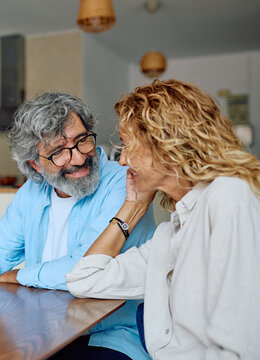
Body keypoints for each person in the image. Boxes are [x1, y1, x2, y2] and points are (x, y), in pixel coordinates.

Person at [0, 92, 157, 360]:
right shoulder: (31, 192)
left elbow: (85, 267)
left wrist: (20, 275)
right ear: (35, 163)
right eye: (58, 152)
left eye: (82, 141)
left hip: (109, 334)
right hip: (43, 329)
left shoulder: (122, 183)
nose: (78, 158)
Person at [66, 79, 260, 359]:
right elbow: (84, 279)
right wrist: (132, 208)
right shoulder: (171, 234)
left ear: (166, 142)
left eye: (127, 144)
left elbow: (241, 348)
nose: (122, 161)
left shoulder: (229, 197)